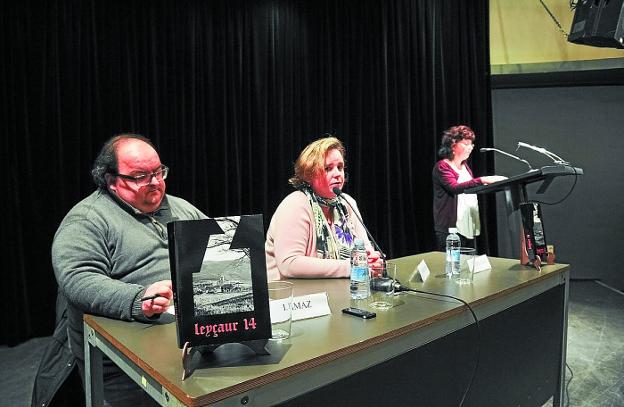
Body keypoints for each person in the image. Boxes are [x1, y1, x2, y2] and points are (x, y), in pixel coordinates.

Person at [51, 133, 206, 406]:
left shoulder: (181, 208)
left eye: (159, 172)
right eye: (140, 176)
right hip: (128, 356)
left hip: (193, 340)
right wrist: (137, 299)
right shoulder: (89, 219)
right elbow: (77, 278)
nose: (155, 182)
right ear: (111, 181)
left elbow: (222, 247)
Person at [265, 136, 382, 280]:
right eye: (328, 168)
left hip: (339, 292)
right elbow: (290, 263)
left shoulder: (347, 203)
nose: (338, 174)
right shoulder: (295, 204)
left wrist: (373, 260)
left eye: (340, 167)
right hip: (293, 297)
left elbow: (365, 249)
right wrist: (350, 266)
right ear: (309, 174)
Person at [432, 125, 506, 251]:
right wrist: (483, 180)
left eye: (471, 144)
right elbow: (454, 188)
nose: (470, 147)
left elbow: (471, 190)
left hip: (467, 225)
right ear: (453, 144)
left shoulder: (465, 167)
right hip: (451, 230)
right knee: (454, 266)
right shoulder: (442, 166)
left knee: (468, 266)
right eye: (466, 143)